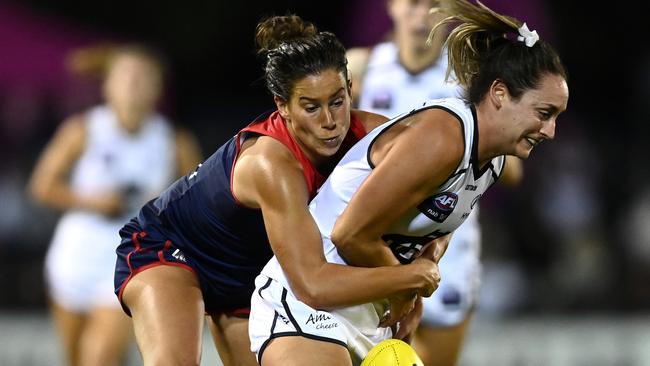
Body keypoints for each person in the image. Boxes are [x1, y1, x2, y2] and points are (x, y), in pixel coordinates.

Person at [249, 0, 569, 365]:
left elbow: (442, 218)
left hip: (371, 315)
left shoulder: (492, 157)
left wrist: (419, 276)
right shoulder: (444, 136)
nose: (551, 130)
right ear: (499, 94)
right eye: (544, 114)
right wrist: (407, 283)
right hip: (308, 306)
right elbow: (350, 234)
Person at [113, 15, 440, 366]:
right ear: (282, 106)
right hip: (173, 250)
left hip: (252, 273)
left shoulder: (374, 137)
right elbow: (311, 284)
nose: (330, 121)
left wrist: (427, 259)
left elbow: (442, 191)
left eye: (337, 100)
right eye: (311, 107)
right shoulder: (272, 164)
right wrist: (403, 281)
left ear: (350, 89)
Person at [346, 0, 523, 364]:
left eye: (433, 4)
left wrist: (468, 139)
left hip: (446, 257)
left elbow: (513, 170)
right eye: (412, 3)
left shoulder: (473, 77)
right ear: (391, 6)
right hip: (372, 249)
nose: (422, 14)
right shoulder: (361, 68)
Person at [29, 43, 202, 366]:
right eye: (126, 76)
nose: (134, 84)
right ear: (108, 85)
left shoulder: (174, 141)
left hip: (131, 257)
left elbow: (199, 205)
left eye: (143, 77)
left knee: (100, 356)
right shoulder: (82, 130)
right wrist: (92, 202)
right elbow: (42, 186)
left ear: (157, 89)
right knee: (76, 357)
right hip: (75, 255)